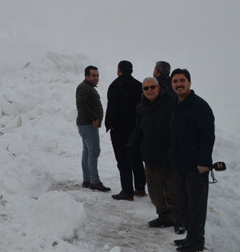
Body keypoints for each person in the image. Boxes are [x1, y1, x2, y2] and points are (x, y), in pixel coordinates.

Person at [127, 77, 183, 233]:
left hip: (169, 156)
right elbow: (139, 128)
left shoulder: (172, 103)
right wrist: (131, 142)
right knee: (154, 191)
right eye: (146, 88)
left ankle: (179, 219)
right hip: (150, 156)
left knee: (173, 191)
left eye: (152, 87)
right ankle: (165, 216)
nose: (149, 90)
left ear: (159, 88)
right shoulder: (141, 107)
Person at [170, 69, 215, 252]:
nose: (178, 84)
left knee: (196, 205)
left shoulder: (199, 106)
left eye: (182, 80)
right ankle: (191, 236)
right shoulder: (177, 104)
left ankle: (196, 242)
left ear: (189, 82)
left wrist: (204, 160)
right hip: (179, 163)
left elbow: (207, 135)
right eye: (175, 81)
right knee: (184, 204)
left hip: (196, 166)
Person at [106, 60, 146, 200]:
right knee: (137, 158)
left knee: (123, 160)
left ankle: (127, 191)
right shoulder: (139, 86)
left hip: (119, 129)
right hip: (135, 128)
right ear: (132, 70)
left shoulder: (115, 85)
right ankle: (140, 188)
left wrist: (109, 123)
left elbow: (111, 107)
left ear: (119, 70)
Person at [75, 65, 111, 191]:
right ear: (87, 76)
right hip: (88, 124)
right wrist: (94, 117)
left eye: (97, 75)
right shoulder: (84, 88)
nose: (96, 78)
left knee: (87, 152)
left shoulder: (88, 87)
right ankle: (94, 181)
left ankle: (87, 180)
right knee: (94, 151)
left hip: (87, 124)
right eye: (93, 75)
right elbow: (81, 104)